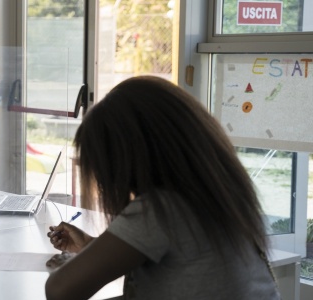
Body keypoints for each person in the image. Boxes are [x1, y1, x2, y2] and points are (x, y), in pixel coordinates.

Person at [44, 76, 279, 300]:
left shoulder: (160, 209)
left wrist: (67, 265)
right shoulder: (220, 194)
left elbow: (59, 291)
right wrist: (90, 247)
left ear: (129, 157)